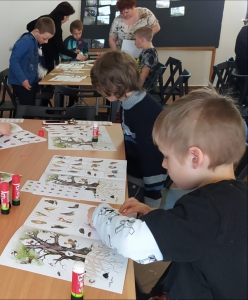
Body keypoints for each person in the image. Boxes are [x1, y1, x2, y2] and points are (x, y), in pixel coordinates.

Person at [87, 90, 247, 299]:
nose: (163, 164)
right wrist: (156, 215)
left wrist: (98, 215)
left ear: (194, 158)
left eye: (166, 156)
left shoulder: (207, 212)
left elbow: (131, 241)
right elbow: (204, 241)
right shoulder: (234, 197)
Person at [90, 50, 166, 207]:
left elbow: (153, 160)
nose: (99, 92)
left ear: (113, 85)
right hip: (129, 169)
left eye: (100, 87)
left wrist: (152, 199)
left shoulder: (145, 112)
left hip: (144, 185)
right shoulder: (128, 101)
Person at [26, 1, 86, 72]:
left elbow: (29, 26)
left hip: (38, 54)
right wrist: (76, 55)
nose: (68, 19)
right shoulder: (56, 26)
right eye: (67, 17)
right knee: (46, 78)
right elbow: (60, 48)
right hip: (47, 58)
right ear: (61, 15)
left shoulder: (46, 18)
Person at [9, 17, 55, 106]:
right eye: (45, 38)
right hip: (22, 83)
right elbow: (14, 60)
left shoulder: (35, 41)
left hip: (30, 82)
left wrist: (37, 85)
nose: (46, 42)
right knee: (26, 111)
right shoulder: (25, 41)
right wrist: (22, 79)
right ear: (37, 32)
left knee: (30, 108)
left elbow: (35, 65)